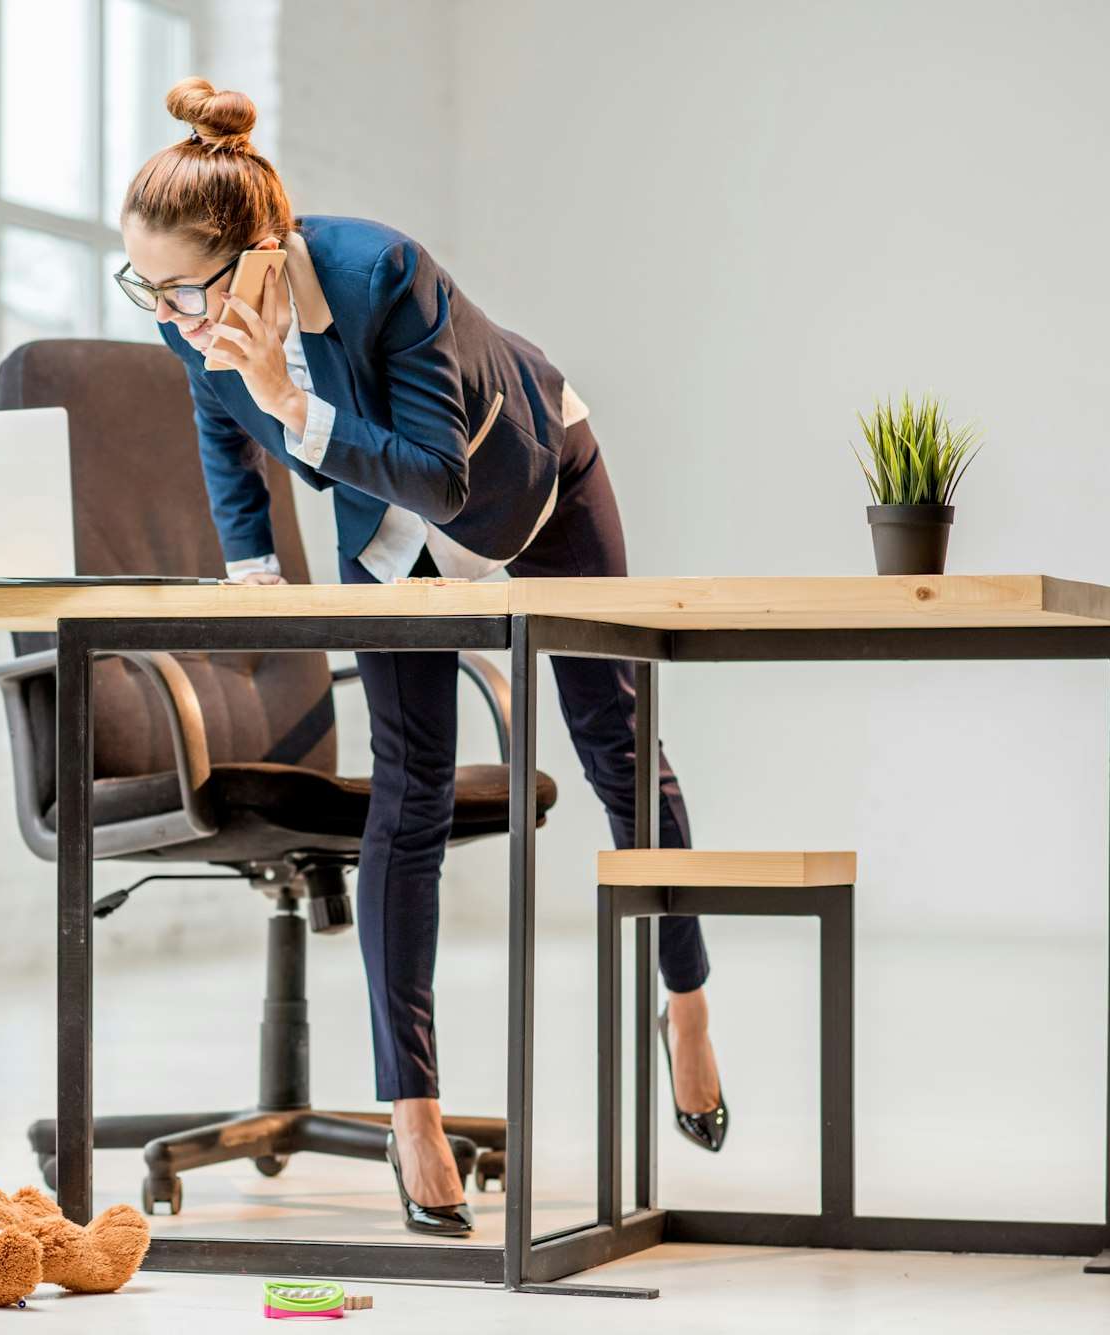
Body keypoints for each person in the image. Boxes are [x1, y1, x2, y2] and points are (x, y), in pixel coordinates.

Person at [117, 77, 727, 1235]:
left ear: (260, 252)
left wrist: (281, 399)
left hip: (521, 481)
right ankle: (411, 1109)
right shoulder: (188, 317)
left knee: (616, 747)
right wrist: (254, 577)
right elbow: (218, 431)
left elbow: (441, 479)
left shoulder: (381, 274)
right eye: (145, 289)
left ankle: (685, 1002)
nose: (170, 316)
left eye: (183, 288)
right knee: (412, 793)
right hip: (381, 528)